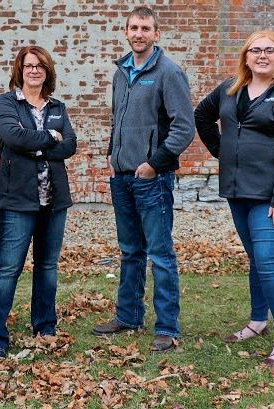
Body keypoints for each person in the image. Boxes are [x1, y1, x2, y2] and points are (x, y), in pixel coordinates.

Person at [194, 30, 274, 368]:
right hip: (238, 191)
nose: (262, 55)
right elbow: (202, 115)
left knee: (269, 260)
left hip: (272, 195)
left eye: (269, 50)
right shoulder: (230, 89)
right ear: (245, 57)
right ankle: (258, 321)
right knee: (256, 259)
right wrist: (223, 152)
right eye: (255, 50)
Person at [91, 6, 195, 354]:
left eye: (145, 28)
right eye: (134, 28)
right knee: (130, 252)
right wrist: (111, 153)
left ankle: (166, 327)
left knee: (160, 254)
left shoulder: (169, 72)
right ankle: (128, 316)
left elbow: (184, 127)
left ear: (156, 34)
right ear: (126, 32)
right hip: (121, 178)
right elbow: (118, 119)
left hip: (152, 179)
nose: (139, 34)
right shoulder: (121, 72)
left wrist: (154, 164)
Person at [0, 45, 77, 358]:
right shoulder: (7, 102)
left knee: (47, 266)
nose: (34, 70)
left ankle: (45, 327)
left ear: (47, 71)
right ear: (19, 71)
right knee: (8, 269)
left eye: (40, 66)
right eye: (28, 66)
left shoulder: (57, 107)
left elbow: (70, 146)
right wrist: (50, 137)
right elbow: (13, 137)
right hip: (17, 199)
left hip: (54, 199)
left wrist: (36, 144)